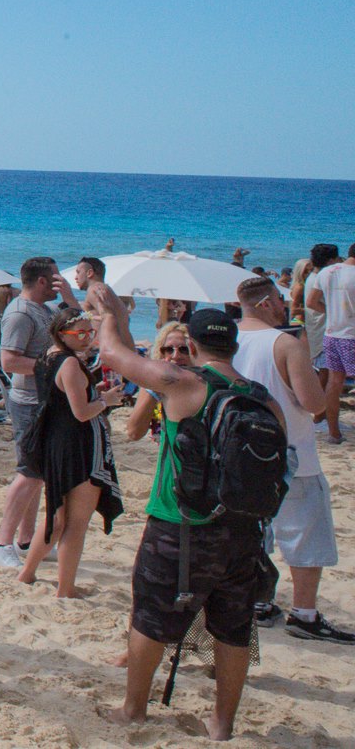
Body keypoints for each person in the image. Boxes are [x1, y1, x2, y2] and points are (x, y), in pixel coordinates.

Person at [89, 291, 279, 741]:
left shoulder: (184, 383)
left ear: (191, 347)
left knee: (151, 618)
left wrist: (106, 315)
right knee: (233, 628)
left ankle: (134, 710)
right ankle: (223, 723)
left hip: (181, 524)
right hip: (243, 530)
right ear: (234, 345)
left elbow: (113, 354)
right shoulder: (261, 399)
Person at [232, 276, 351, 640]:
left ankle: (259, 603)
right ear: (267, 302)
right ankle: (304, 613)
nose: (285, 307)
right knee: (305, 536)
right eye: (281, 301)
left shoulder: (226, 338)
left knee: (255, 533)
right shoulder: (285, 343)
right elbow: (314, 405)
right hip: (291, 451)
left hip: (242, 452)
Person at [14, 308, 124, 597]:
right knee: (75, 522)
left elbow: (60, 399)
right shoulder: (70, 364)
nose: (88, 338)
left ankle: (27, 573)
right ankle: (66, 588)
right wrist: (106, 400)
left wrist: (93, 393)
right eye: (81, 333)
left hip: (55, 443)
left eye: (91, 332)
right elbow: (81, 412)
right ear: (63, 334)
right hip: (76, 446)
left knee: (56, 515)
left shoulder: (46, 358)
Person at [0, 257, 71, 566]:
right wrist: (57, 368)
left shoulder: (44, 310)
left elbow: (76, 326)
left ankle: (25, 540)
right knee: (29, 474)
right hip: (28, 402)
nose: (60, 282)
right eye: (56, 278)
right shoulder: (21, 314)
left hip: (43, 400)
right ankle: (0, 543)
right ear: (42, 282)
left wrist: (71, 299)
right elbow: (9, 362)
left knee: (37, 475)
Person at [122, 320, 192, 442]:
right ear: (161, 353)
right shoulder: (152, 385)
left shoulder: (202, 383)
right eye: (169, 350)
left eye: (184, 349)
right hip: (166, 455)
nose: (176, 356)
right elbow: (134, 433)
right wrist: (154, 389)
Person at [315, 245, 355, 445]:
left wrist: (332, 313)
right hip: (352, 334)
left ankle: (334, 433)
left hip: (332, 334)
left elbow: (312, 301)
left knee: (334, 382)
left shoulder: (326, 272)